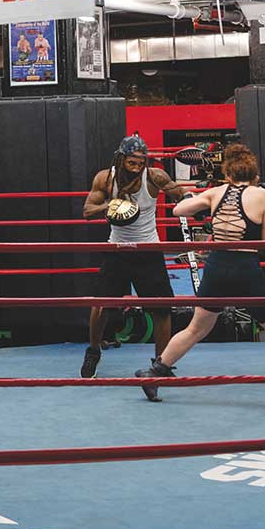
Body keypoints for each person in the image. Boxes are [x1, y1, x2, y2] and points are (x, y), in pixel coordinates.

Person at [133, 143, 265, 417]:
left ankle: (154, 374)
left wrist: (207, 208)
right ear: (254, 173)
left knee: (196, 329)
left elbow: (177, 211)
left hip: (218, 267)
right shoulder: (262, 194)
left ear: (228, 174)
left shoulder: (216, 192)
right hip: (246, 268)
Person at [81, 135, 186, 378]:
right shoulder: (105, 179)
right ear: (121, 159)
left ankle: (161, 363)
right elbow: (87, 210)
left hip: (148, 250)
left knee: (161, 309)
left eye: (141, 163)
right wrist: (110, 205)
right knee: (101, 305)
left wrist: (193, 203)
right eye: (132, 163)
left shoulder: (155, 177)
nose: (137, 167)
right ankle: (93, 351)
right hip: (117, 250)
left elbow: (180, 194)